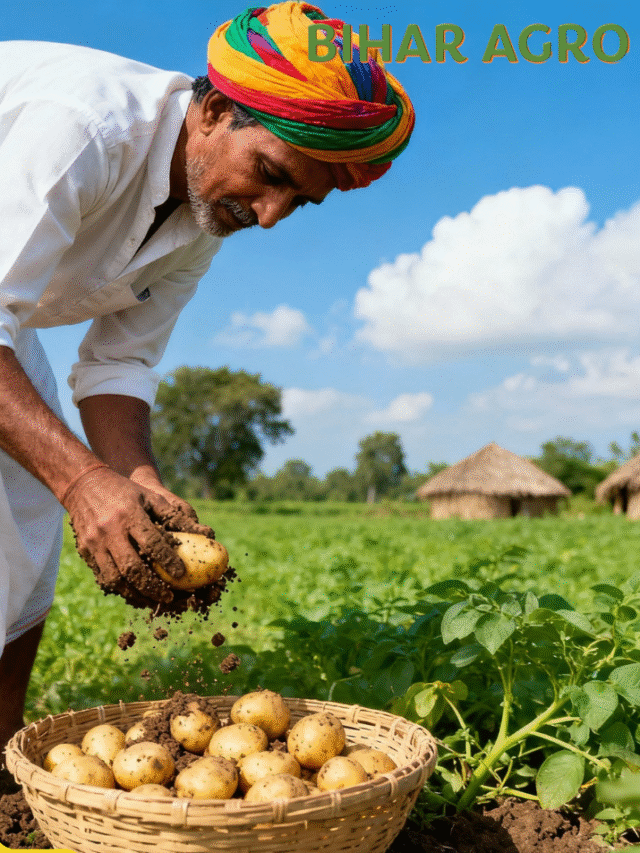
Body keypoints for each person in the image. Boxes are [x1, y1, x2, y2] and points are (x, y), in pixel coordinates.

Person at [0, 1, 414, 755]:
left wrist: (138, 478)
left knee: (25, 511)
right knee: (47, 483)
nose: (269, 216)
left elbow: (119, 361)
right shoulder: (84, 129)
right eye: (271, 175)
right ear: (216, 110)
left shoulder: (202, 215)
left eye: (298, 202)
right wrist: (83, 482)